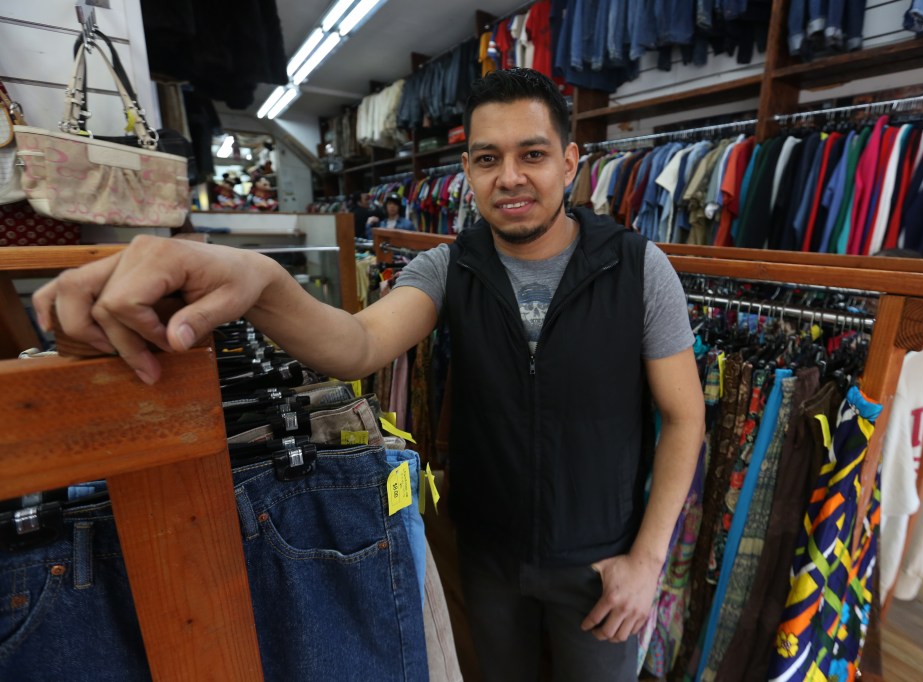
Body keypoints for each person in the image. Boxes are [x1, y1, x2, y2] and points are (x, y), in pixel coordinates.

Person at [33, 68, 705, 682]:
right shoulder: (449, 268)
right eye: (486, 158)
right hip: (485, 555)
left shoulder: (637, 269)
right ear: (467, 170)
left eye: (531, 154)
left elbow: (684, 417)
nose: (510, 176)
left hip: (600, 562)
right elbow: (355, 345)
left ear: (569, 163)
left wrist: (646, 561)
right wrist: (262, 279)